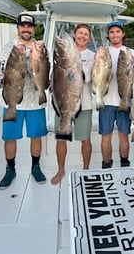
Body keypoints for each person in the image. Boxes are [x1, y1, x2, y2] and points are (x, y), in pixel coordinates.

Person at [0, 14, 48, 190]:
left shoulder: (41, 47)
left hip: (35, 101)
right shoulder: (8, 47)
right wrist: (18, 57)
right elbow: (4, 71)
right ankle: (10, 169)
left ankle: (36, 167)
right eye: (23, 26)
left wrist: (38, 55)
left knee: (36, 136)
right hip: (12, 101)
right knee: (10, 138)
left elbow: (44, 71)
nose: (26, 29)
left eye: (29, 26)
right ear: (18, 28)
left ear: (34, 29)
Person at [51, 24, 95, 185]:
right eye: (80, 33)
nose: (82, 36)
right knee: (61, 139)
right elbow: (54, 78)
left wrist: (74, 66)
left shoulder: (92, 55)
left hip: (84, 105)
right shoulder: (61, 56)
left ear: (89, 38)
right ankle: (60, 169)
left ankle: (86, 169)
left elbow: (88, 78)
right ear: (75, 35)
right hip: (62, 102)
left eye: (86, 34)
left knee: (85, 139)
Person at [99, 20, 134, 169]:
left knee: (124, 135)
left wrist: (133, 65)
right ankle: (106, 164)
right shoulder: (104, 52)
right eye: (111, 32)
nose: (115, 34)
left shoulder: (131, 53)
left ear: (123, 33)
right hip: (107, 101)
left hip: (125, 100)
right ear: (108, 35)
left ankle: (124, 163)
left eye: (117, 31)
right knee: (106, 136)